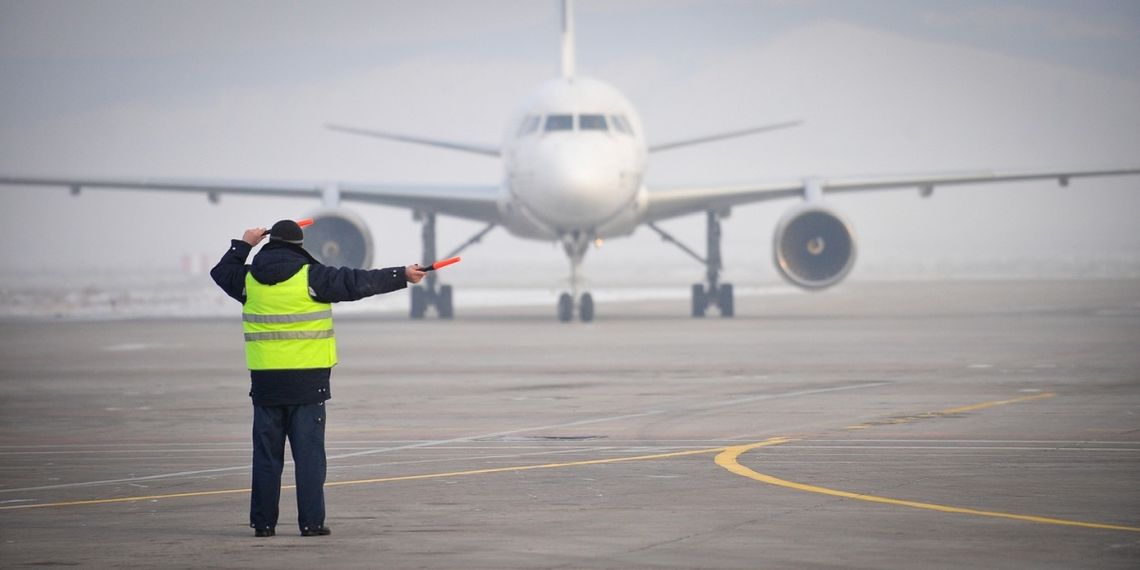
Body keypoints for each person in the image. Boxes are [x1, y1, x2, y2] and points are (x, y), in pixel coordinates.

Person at [210, 220, 426, 537]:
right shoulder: (313, 277)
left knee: (267, 459)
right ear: (299, 246)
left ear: (270, 244)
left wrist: (244, 244)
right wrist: (402, 275)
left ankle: (263, 524)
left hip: (267, 386)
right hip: (308, 386)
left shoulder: (247, 281)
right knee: (309, 459)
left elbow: (221, 272)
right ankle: (311, 524)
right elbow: (360, 281)